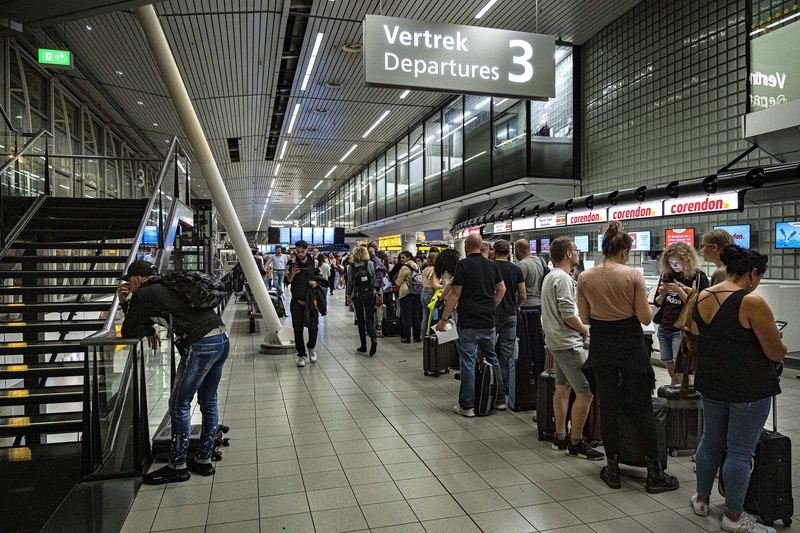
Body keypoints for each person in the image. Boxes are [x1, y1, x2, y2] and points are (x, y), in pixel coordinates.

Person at [577, 221, 679, 493]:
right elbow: (645, 317)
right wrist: (655, 301)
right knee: (642, 407)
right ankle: (654, 473)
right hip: (631, 346)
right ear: (624, 252)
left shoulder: (585, 277)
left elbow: (584, 317)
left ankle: (612, 469)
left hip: (602, 345)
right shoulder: (633, 275)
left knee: (608, 407)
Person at [691, 245, 786, 533]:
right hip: (748, 388)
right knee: (740, 453)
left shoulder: (702, 296)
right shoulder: (751, 302)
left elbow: (699, 335)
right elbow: (775, 352)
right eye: (758, 276)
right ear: (752, 273)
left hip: (711, 382)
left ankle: (702, 499)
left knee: (710, 441)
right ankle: (733, 517)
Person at [118, 260, 229, 484]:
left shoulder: (143, 294)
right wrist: (149, 329)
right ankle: (204, 459)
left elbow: (129, 329)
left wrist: (124, 301)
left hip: (201, 344)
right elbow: (150, 319)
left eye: (129, 281)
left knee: (179, 404)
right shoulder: (169, 285)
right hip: (220, 337)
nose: (128, 285)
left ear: (138, 279)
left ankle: (177, 465)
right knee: (209, 402)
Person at [541, 237, 603, 460]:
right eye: (576, 250)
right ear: (568, 253)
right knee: (585, 392)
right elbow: (568, 315)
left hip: (555, 341)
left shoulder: (550, 277)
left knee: (562, 388)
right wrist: (586, 330)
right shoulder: (564, 279)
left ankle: (560, 437)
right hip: (568, 344)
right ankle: (576, 443)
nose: (578, 254)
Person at [436, 234, 506, 416]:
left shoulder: (463, 265)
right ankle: (499, 400)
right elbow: (502, 289)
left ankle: (467, 406)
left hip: (468, 322)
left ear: (466, 246)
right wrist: (492, 306)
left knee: (467, 362)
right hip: (488, 322)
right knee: (492, 358)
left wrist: (444, 319)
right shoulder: (491, 265)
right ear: (481, 246)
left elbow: (455, 294)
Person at [653, 242, 709, 385]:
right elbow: (657, 302)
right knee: (671, 369)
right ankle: (674, 403)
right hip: (665, 326)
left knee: (684, 372)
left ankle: (687, 402)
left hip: (683, 329)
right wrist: (664, 293)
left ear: (687, 260)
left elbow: (698, 306)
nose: (675, 266)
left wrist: (679, 291)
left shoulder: (698, 277)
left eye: (678, 262)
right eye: (671, 262)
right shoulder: (667, 275)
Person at [492, 240, 525, 410]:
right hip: (511, 315)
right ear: (509, 251)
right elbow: (523, 294)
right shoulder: (516, 269)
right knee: (507, 354)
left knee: (489, 352)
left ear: (494, 251)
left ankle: (491, 385)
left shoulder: (490, 267)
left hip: (493, 314)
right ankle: (504, 389)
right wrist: (516, 306)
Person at [286, 240, 327, 367]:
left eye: (302, 252)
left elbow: (320, 279)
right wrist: (292, 274)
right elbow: (287, 281)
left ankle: (311, 348)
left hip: (311, 301)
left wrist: (316, 283)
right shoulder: (291, 263)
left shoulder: (314, 264)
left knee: (313, 327)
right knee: (297, 330)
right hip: (296, 301)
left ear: (307, 250)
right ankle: (301, 355)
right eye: (297, 252)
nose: (300, 254)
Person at [346, 246, 378, 355]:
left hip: (357, 295)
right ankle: (373, 339)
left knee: (360, 320)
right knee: (370, 319)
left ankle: (363, 345)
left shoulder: (351, 267)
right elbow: (373, 278)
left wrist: (348, 295)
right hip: (369, 294)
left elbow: (349, 282)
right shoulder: (370, 264)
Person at [396, 250, 422, 343]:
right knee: (415, 314)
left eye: (403, 257)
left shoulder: (404, 268)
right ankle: (417, 336)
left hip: (406, 293)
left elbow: (398, 282)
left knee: (406, 315)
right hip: (416, 292)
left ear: (408, 258)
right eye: (401, 257)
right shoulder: (416, 266)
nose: (401, 259)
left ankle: (407, 336)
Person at [515, 239, 547, 311]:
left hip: (525, 306)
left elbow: (519, 291)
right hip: (539, 304)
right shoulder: (542, 261)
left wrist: (516, 306)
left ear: (518, 250)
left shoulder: (522, 265)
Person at [420, 251, 443, 334]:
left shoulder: (425, 269)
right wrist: (447, 286)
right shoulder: (435, 270)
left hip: (423, 293)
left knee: (425, 319)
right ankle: (431, 340)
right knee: (433, 319)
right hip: (431, 294)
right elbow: (436, 285)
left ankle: (424, 341)